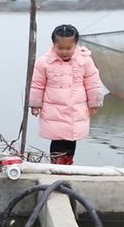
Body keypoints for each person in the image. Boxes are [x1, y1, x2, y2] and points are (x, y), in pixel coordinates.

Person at [30, 24, 103, 165]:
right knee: (57, 138)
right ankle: (57, 166)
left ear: (76, 44)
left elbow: (92, 82)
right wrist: (35, 104)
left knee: (71, 138)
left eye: (69, 48)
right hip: (54, 109)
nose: (65, 52)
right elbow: (38, 84)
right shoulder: (44, 62)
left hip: (76, 108)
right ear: (53, 45)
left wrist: (93, 103)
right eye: (60, 48)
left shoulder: (84, 60)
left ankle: (68, 165)